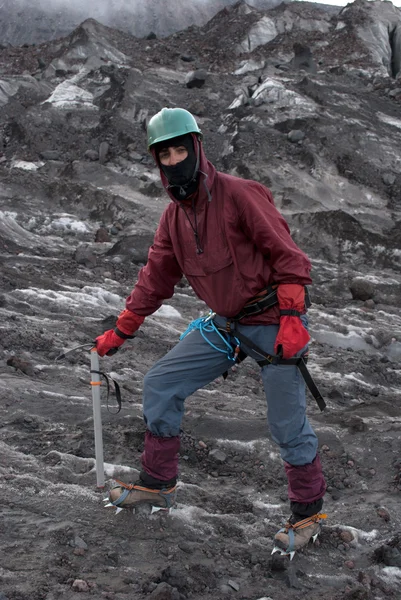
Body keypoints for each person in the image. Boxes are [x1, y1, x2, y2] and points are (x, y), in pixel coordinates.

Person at [95, 107, 326, 554]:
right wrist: (122, 330)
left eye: (181, 149)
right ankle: (158, 484)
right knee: (161, 383)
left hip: (274, 319)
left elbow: (290, 258)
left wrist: (294, 318)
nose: (175, 159)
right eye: (165, 154)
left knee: (286, 424)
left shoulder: (240, 195)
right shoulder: (173, 218)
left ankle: (308, 513)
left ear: (197, 149)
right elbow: (155, 280)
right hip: (226, 324)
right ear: (157, 162)